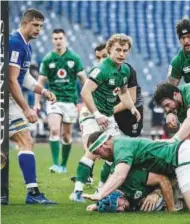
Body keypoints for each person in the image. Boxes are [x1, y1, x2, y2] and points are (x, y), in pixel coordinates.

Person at [82, 131, 190, 213]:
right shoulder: (123, 145)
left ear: (103, 145)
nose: (98, 157)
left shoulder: (121, 148)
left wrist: (100, 194)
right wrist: (98, 204)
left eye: (97, 153)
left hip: (181, 159)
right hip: (187, 149)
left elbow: (119, 175)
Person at [70, 34, 140, 202]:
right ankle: (77, 192)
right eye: (118, 50)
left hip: (108, 116)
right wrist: (97, 114)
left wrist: (131, 107)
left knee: (115, 152)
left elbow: (123, 92)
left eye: (125, 50)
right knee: (93, 151)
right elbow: (84, 92)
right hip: (91, 115)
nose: (121, 54)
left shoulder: (125, 70)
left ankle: (101, 189)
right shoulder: (101, 68)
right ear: (109, 50)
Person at [8, 9, 57, 204]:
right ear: (25, 23)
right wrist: (27, 109)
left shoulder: (26, 45)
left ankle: (32, 192)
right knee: (26, 140)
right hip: (6, 99)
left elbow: (23, 77)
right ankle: (33, 194)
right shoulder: (15, 43)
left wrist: (42, 91)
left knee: (24, 141)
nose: (39, 30)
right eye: (35, 25)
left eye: (41, 26)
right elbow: (12, 81)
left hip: (8, 98)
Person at [34, 28, 89, 173]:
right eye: (55, 38)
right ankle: (55, 164)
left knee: (66, 135)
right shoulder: (48, 59)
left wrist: (88, 99)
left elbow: (84, 80)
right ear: (52, 40)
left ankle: (63, 165)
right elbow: (39, 83)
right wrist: (37, 102)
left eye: (60, 38)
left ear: (65, 39)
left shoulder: (74, 58)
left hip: (70, 101)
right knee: (54, 130)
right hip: (53, 100)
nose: (58, 41)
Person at [86, 168, 176, 212]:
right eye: (117, 210)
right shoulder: (115, 198)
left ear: (116, 195)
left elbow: (164, 179)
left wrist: (157, 192)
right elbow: (107, 200)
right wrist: (97, 206)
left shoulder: (131, 179)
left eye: (118, 204)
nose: (121, 209)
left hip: (174, 179)